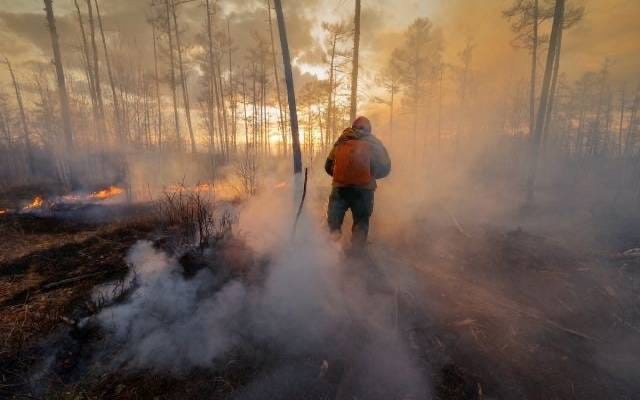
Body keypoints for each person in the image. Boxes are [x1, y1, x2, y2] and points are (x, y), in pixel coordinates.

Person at [324, 116, 391, 249]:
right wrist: (370, 175)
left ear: (353, 127)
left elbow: (328, 166)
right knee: (361, 221)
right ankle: (357, 253)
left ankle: (331, 250)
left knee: (334, 222)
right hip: (364, 191)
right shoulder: (373, 143)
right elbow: (385, 167)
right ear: (369, 129)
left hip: (340, 189)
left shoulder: (342, 140)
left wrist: (341, 176)